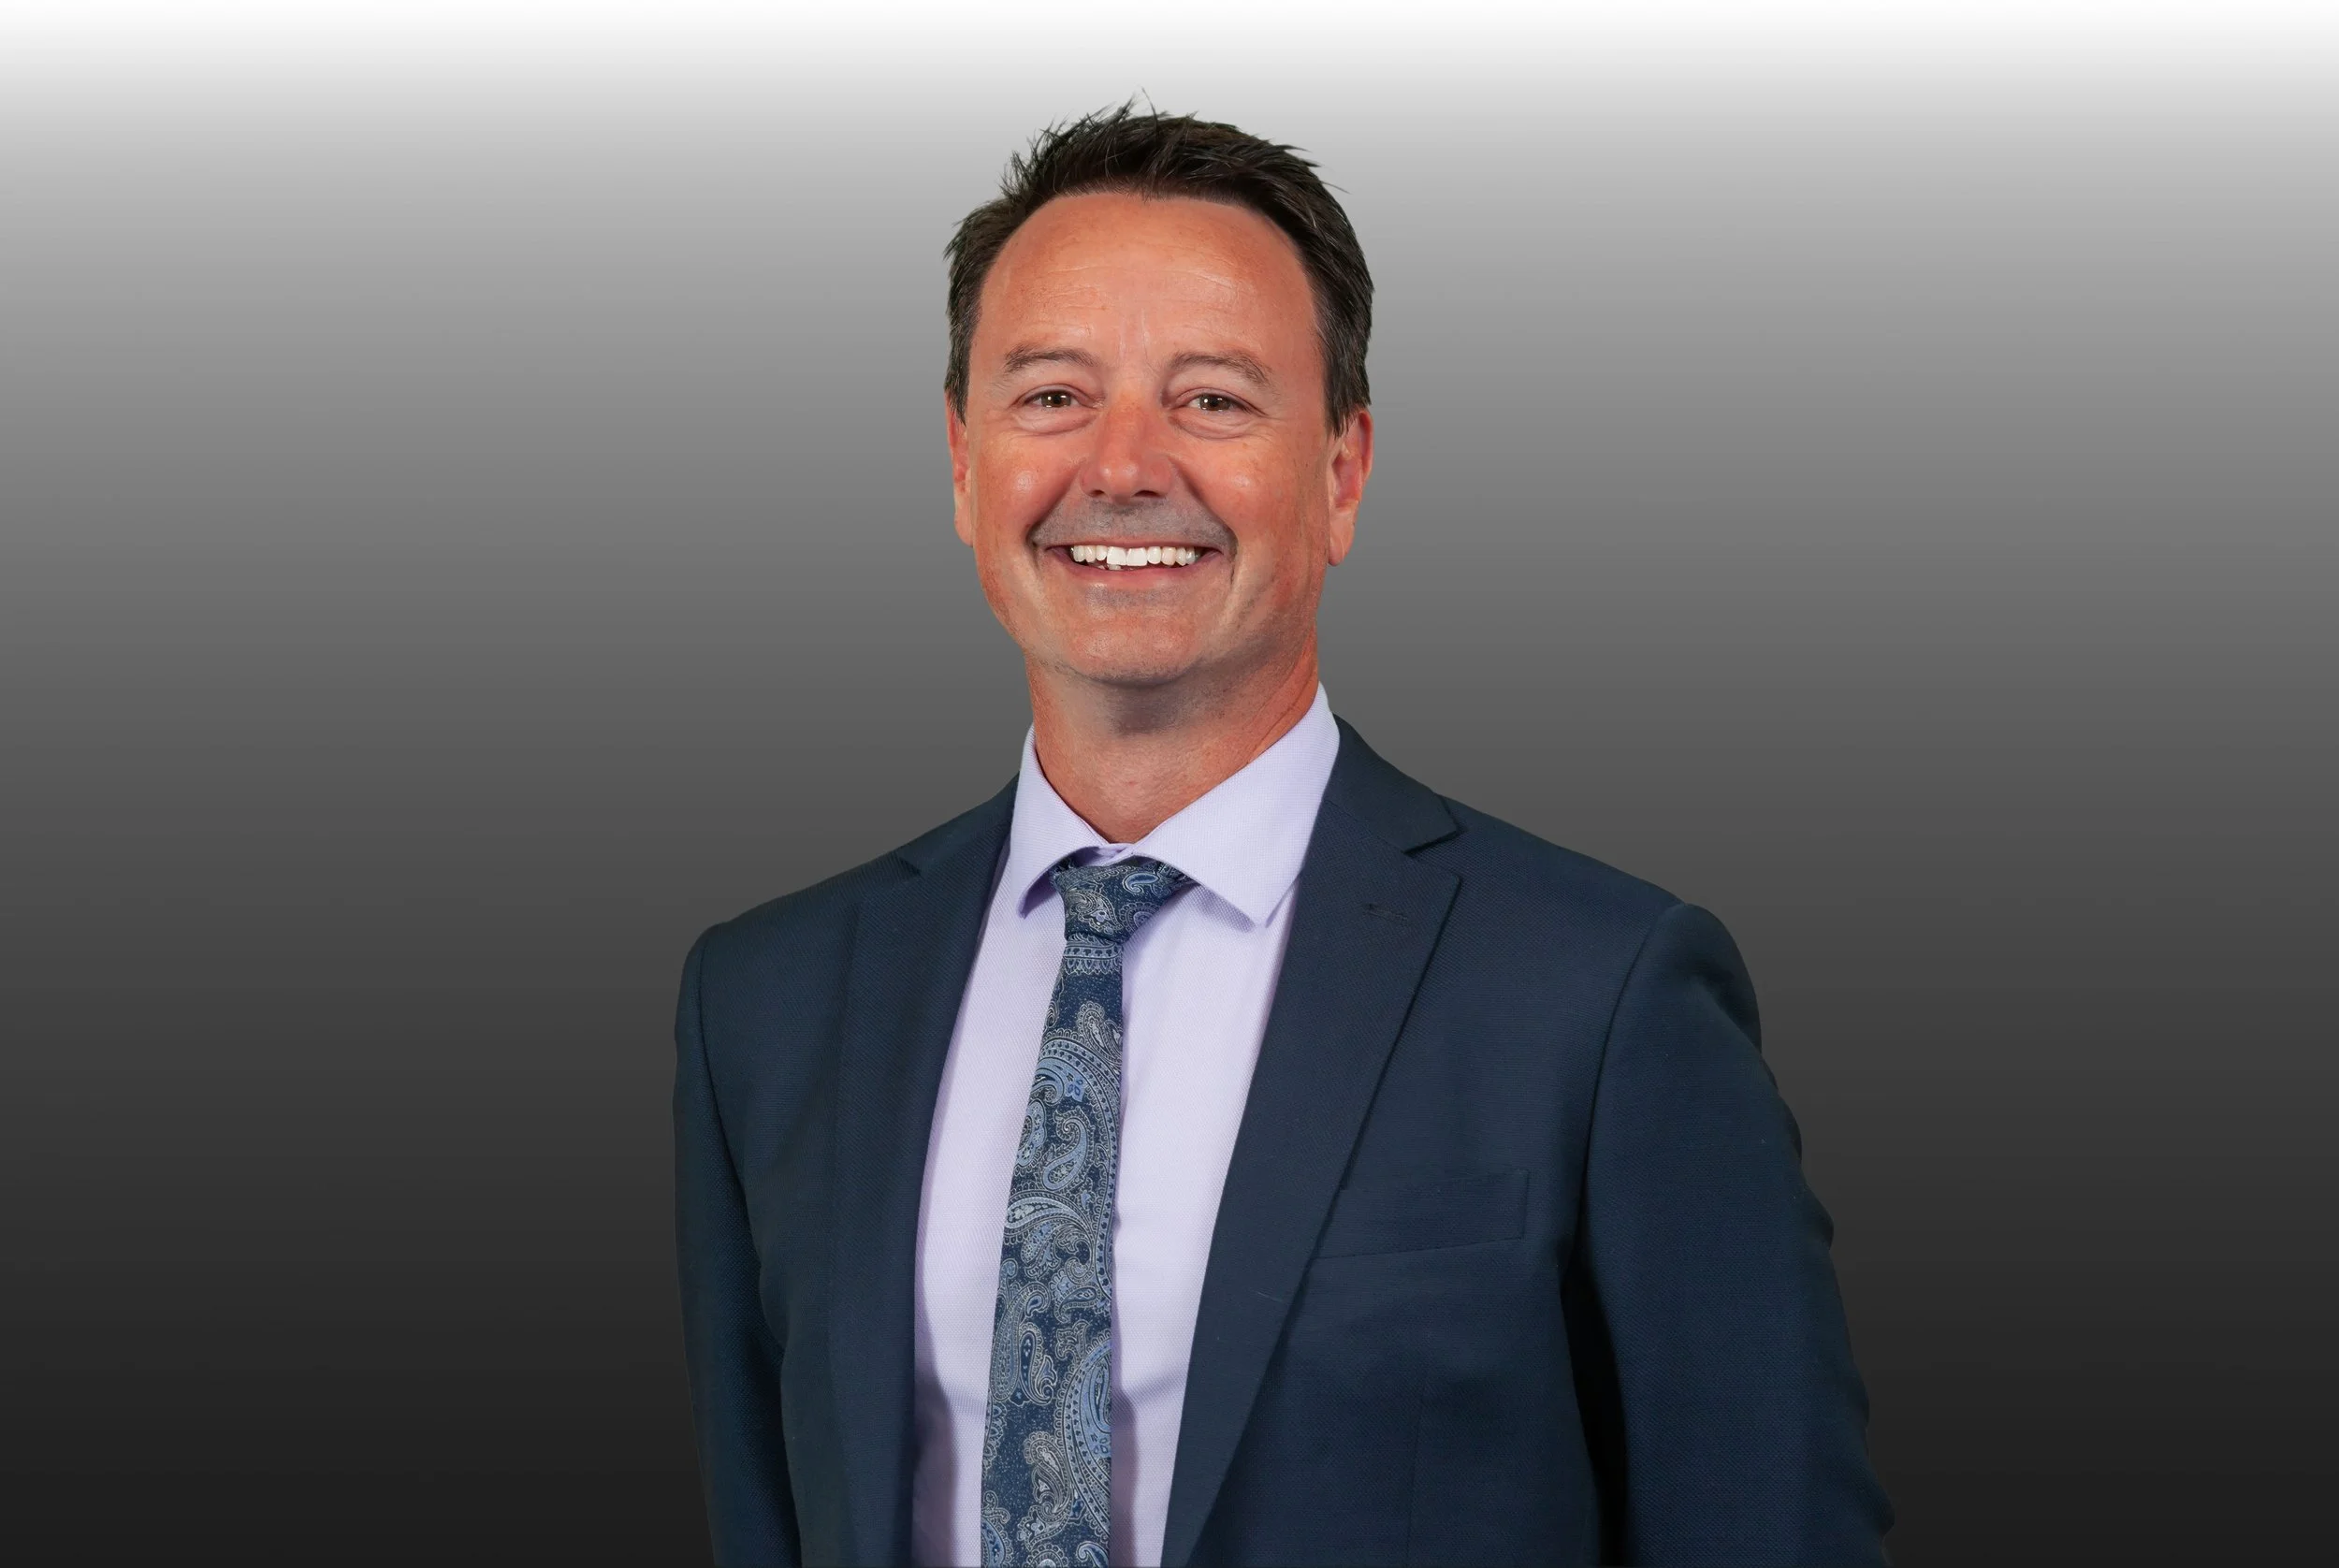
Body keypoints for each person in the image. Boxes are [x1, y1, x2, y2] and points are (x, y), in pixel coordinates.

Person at [674, 106, 1891, 1568]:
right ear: (960, 460)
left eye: (1214, 399)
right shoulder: (773, 1000)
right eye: (1052, 395)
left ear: (1342, 473)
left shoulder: (1601, 996)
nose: (1123, 466)